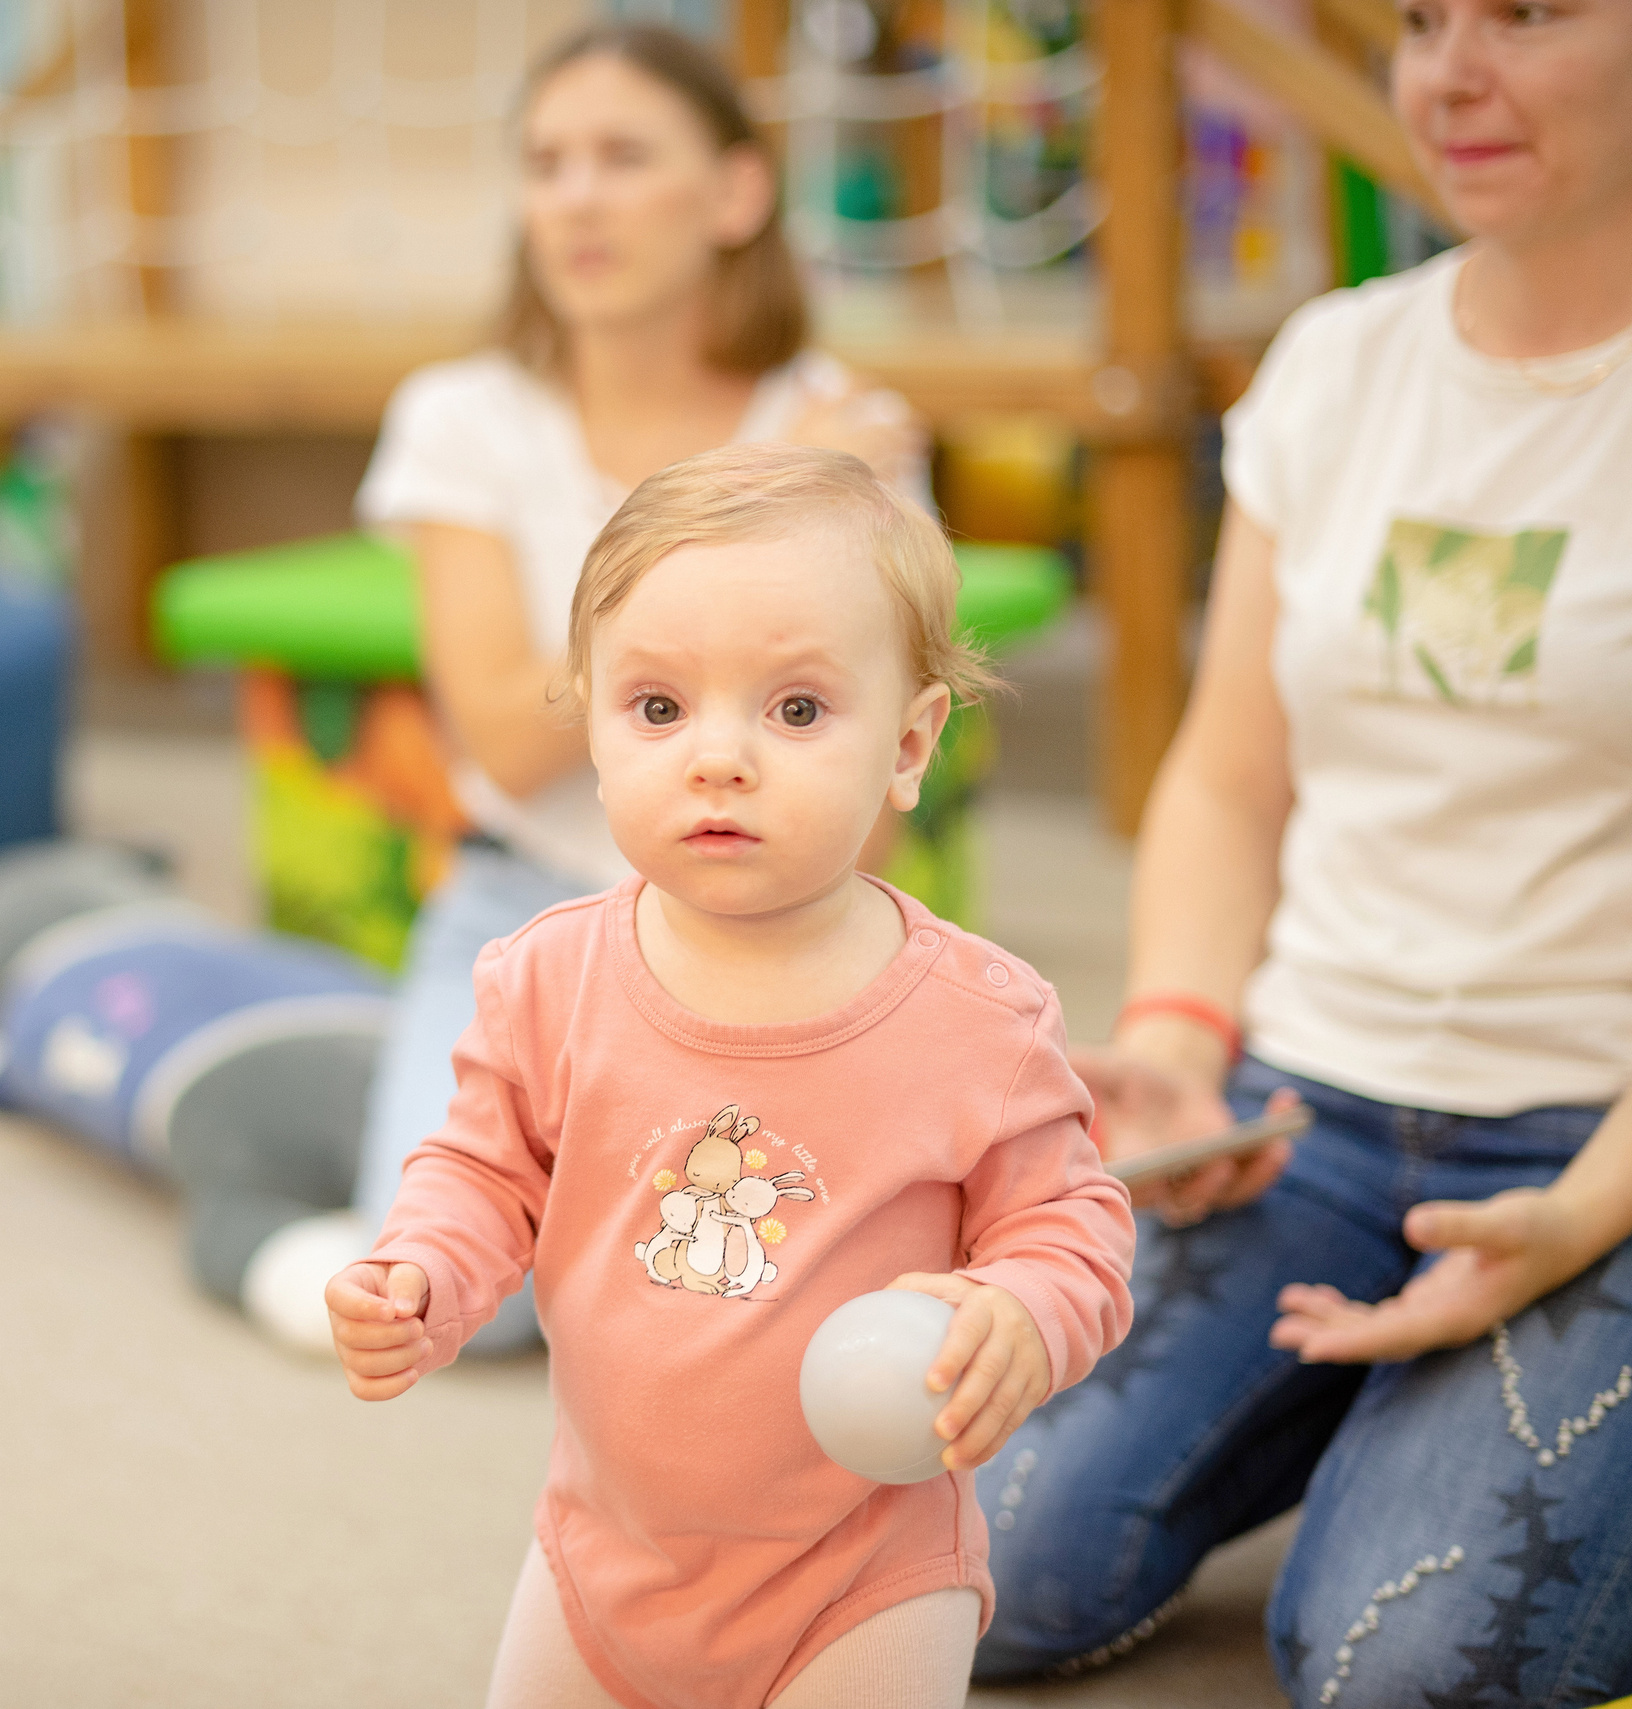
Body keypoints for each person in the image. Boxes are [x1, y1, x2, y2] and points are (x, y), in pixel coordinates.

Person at [973, 2, 1632, 1700]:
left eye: (1531, 13)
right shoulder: (1335, 362)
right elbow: (1227, 777)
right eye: (1419, 20)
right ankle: (1401, 1409)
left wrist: (1582, 1209)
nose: (1449, 74)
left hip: (1599, 1150)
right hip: (1307, 1117)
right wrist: (1188, 1044)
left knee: (1397, 1661)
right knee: (982, 1561)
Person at [327, 444, 1136, 1709]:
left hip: (862, 1574)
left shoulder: (980, 1019)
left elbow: (1073, 1223)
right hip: (602, 1559)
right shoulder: (545, 978)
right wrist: (423, 1269)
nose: (718, 757)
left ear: (911, 741)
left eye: (796, 710)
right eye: (656, 708)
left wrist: (1026, 1311)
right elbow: (483, 1169)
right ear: (590, 721)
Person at [245, 22, 926, 1350]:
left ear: (735, 193)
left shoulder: (851, 418)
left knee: (764, 1285)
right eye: (547, 163)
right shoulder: (467, 415)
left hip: (769, 929)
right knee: (476, 1305)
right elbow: (507, 735)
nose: (578, 197)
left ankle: (396, 1098)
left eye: (623, 156)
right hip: (525, 915)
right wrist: (752, 489)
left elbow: (867, 789)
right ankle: (296, 1100)